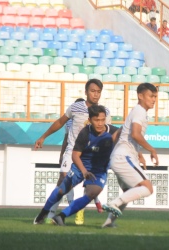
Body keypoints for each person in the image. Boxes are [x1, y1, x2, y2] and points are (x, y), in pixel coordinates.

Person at [34, 79, 111, 226]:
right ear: (86, 92)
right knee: (63, 180)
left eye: (98, 92)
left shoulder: (105, 112)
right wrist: (43, 137)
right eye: (92, 91)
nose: (95, 94)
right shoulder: (76, 107)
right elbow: (60, 122)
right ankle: (46, 214)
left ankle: (73, 212)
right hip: (73, 152)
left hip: (92, 157)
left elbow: (107, 135)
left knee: (91, 190)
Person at [101, 83, 159, 228]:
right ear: (140, 96)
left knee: (128, 192)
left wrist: (138, 153)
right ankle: (114, 203)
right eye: (151, 96)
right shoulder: (139, 111)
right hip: (123, 157)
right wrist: (152, 150)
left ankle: (109, 223)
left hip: (121, 156)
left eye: (155, 97)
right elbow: (135, 134)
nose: (154, 100)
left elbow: (118, 133)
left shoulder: (136, 111)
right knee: (148, 188)